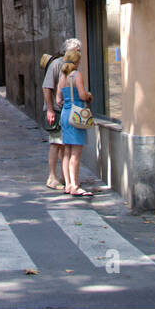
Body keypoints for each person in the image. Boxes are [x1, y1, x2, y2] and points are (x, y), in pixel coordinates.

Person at [42, 38, 81, 190]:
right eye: (76, 51)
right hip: (57, 111)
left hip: (66, 111)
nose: (78, 53)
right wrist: (50, 109)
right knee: (56, 144)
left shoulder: (72, 66)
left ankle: (66, 177)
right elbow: (47, 88)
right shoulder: (56, 64)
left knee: (65, 144)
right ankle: (52, 177)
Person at [55, 49, 93, 197]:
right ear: (77, 62)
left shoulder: (62, 77)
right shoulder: (76, 75)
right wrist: (88, 96)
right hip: (76, 114)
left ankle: (68, 184)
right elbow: (83, 95)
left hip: (65, 113)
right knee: (76, 153)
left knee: (66, 151)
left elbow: (58, 100)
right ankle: (75, 185)